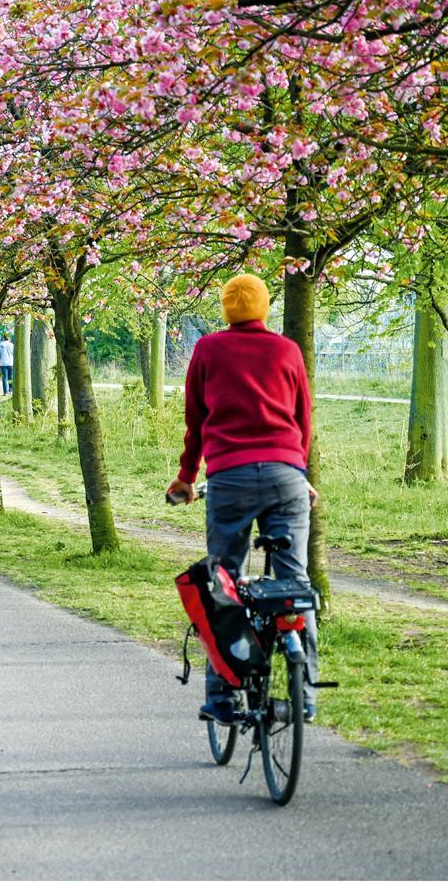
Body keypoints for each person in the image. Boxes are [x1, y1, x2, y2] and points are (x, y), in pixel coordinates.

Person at [166, 273, 321, 725]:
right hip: (285, 477)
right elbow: (301, 419)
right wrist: (299, 472)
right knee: (296, 583)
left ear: (226, 308)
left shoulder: (209, 349)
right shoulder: (287, 350)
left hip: (230, 478)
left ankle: (222, 696)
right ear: (266, 308)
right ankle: (306, 694)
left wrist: (185, 478)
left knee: (225, 581)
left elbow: (196, 422)